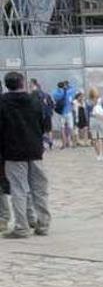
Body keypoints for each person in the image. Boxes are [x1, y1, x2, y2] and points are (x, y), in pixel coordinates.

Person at [1, 71, 52, 239]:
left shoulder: (2, 103)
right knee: (39, 188)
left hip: (13, 153)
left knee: (18, 189)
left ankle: (21, 226)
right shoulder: (35, 100)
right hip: (35, 150)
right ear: (22, 83)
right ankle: (43, 224)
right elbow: (45, 124)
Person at [87, 87, 103, 162]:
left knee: (94, 138)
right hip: (100, 119)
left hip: (92, 119)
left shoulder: (88, 102)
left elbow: (87, 112)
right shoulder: (100, 100)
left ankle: (98, 155)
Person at [51, 80, 77, 150]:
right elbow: (74, 89)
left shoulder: (56, 93)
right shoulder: (69, 92)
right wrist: (67, 86)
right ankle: (73, 143)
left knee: (62, 129)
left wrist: (59, 88)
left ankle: (64, 144)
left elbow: (53, 96)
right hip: (69, 112)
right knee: (71, 128)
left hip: (61, 113)